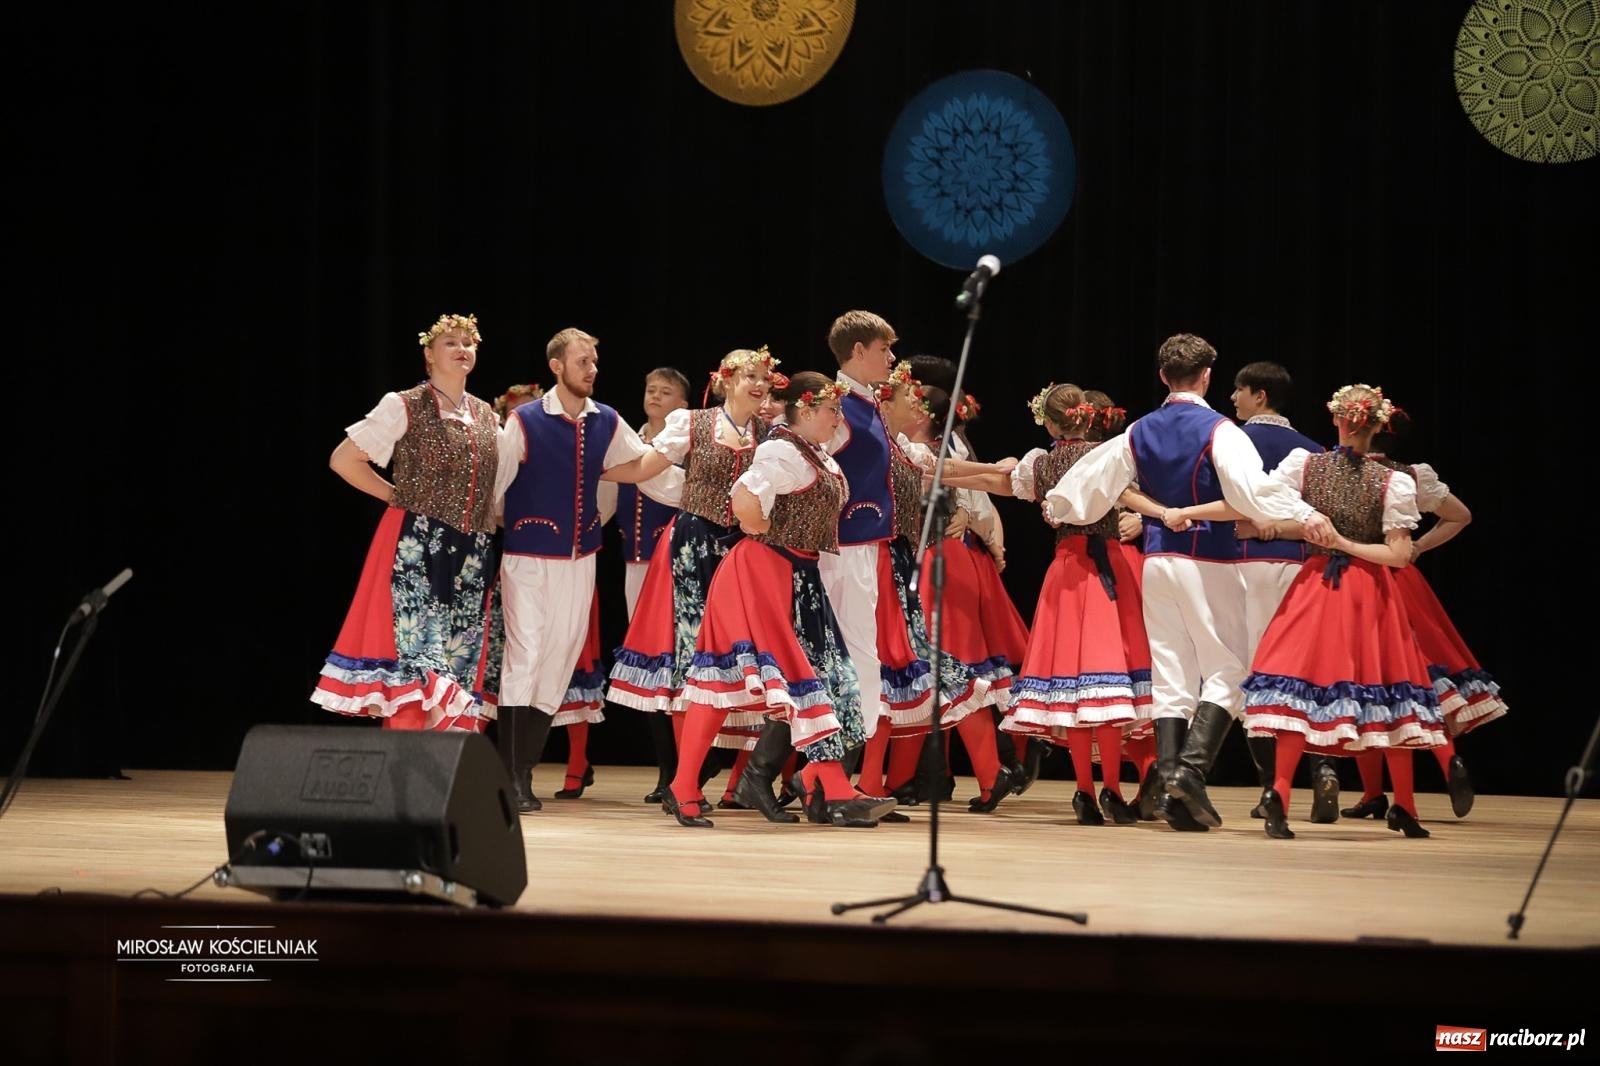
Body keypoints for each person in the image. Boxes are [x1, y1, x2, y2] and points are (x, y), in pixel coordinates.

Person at [1043, 334, 1331, 831]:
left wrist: (1064, 507)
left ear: (1162, 377)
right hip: (1209, 559)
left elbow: (1082, 487)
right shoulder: (1220, 430)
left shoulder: (1138, 431)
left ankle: (1173, 791)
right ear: (1206, 377)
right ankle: (1188, 771)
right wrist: (1305, 515)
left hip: (1158, 561)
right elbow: (1254, 493)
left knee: (1172, 672)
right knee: (1232, 668)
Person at [1168, 385, 1445, 839]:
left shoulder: (1307, 465)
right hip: (1366, 591)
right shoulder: (1391, 482)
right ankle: (1405, 805)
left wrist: (1189, 512)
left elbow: (1250, 504)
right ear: (1378, 427)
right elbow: (1398, 555)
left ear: (1337, 420)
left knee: (1304, 687)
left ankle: (1279, 791)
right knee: (1385, 688)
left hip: (1317, 585)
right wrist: (1336, 540)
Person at [665, 372, 895, 828]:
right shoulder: (782, 451)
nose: (837, 418)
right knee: (729, 679)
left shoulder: (812, 453)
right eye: (831, 409)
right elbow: (745, 498)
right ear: (806, 411)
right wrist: (767, 534)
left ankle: (833, 788)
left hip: (798, 575)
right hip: (762, 572)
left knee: (829, 680)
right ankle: (684, 785)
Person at [953, 384, 1155, 824]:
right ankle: (1113, 791)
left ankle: (1084, 790)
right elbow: (1129, 496)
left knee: (1075, 681)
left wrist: (940, 472)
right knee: (1108, 681)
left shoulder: (1042, 464)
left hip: (1068, 571)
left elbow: (997, 482)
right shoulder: (1109, 456)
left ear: (1048, 421)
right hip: (1108, 569)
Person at [819, 313, 993, 807]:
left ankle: (828, 787)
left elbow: (922, 463)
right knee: (851, 669)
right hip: (843, 553)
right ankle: (826, 787)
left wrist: (997, 473)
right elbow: (798, 457)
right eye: (884, 350)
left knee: (863, 670)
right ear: (857, 351)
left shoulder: (868, 406)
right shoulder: (836, 409)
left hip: (868, 553)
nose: (892, 360)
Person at [312, 313, 501, 733]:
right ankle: (405, 779)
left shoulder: (487, 415)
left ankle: (442, 781)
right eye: (450, 342)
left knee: (460, 652)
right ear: (428, 356)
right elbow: (343, 460)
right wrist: (397, 496)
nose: (461, 349)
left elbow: (493, 490)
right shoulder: (404, 404)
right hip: (416, 544)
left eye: (468, 343)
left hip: (471, 552)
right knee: (416, 654)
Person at [491, 327, 653, 813]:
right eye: (582, 361)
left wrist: (683, 449)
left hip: (580, 558)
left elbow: (638, 465)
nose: (591, 369)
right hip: (528, 556)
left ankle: (523, 770)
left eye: (594, 361)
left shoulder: (606, 420)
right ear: (557, 366)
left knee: (559, 658)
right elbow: (496, 490)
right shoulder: (524, 420)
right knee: (526, 654)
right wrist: (521, 524)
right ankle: (512, 776)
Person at [881, 366, 1022, 812]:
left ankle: (986, 771)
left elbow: (965, 490)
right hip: (936, 560)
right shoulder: (912, 448)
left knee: (932, 671)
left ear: (921, 412)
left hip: (934, 563)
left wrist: (1004, 478)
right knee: (920, 675)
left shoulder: (919, 451)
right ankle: (906, 779)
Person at [1343, 429, 1501, 821]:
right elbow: (1461, 516)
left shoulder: (1338, 473)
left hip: (1363, 577)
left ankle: (1373, 793)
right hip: (1404, 581)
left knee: (1367, 680)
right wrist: (1416, 548)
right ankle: (1448, 762)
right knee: (1417, 675)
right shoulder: (1411, 475)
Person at [1226, 362, 1337, 823]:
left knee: (1254, 676)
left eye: (1239, 389)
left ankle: (1271, 787)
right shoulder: (1314, 452)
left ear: (1259, 395)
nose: (1233, 398)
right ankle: (1325, 767)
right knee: (1303, 672)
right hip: (1301, 569)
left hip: (1242, 567)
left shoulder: (1232, 443)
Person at [588, 368, 690, 802]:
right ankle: (667, 769)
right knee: (650, 669)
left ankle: (689, 768)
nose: (655, 396)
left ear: (683, 406)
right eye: (651, 389)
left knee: (679, 666)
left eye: (666, 392)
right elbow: (604, 506)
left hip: (678, 569)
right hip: (636, 566)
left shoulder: (687, 447)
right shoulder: (628, 445)